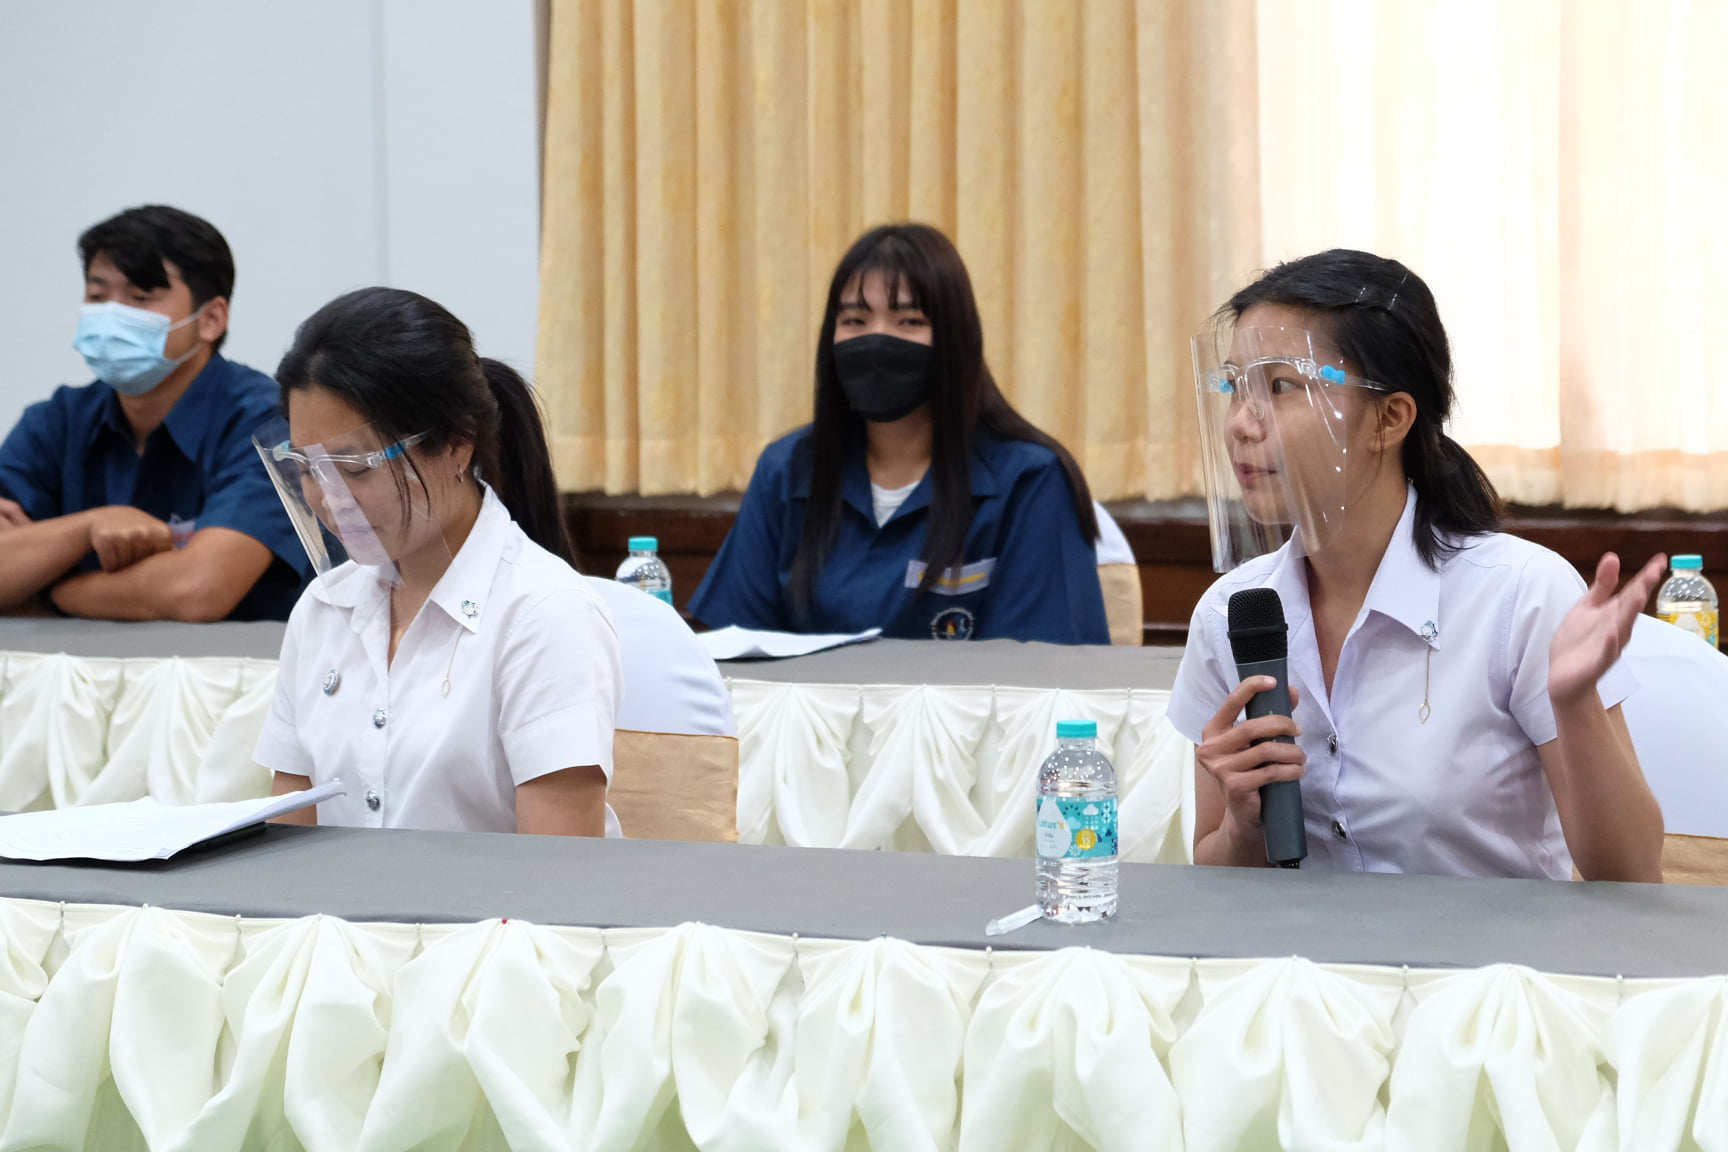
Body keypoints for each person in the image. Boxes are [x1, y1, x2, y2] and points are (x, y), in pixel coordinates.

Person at [1169, 249, 1665, 882]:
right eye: (1236, 385)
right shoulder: (1232, 613)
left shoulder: (1519, 596)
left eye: (1282, 386)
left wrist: (1574, 707)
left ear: (1390, 418)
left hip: (1486, 974)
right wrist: (1243, 825)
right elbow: (1210, 873)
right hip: (1306, 974)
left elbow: (1632, 877)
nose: (1241, 423)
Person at [254, 287, 623, 836]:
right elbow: (288, 843)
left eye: (354, 469)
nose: (330, 500)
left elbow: (558, 878)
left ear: (456, 444)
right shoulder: (323, 608)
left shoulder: (545, 615)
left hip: (491, 922)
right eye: (308, 469)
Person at [689, 223, 1110, 644]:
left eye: (909, 321)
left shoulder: (1030, 480)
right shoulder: (788, 468)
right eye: (854, 320)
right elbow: (734, 649)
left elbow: (1042, 672)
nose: (877, 340)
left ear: (955, 338)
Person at [0, 205, 310, 620]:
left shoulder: (266, 420)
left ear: (211, 319)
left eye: (140, 298)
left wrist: (45, 590)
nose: (112, 315)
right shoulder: (56, 421)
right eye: (96, 296)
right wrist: (90, 526)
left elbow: (196, 590)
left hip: (239, 677)